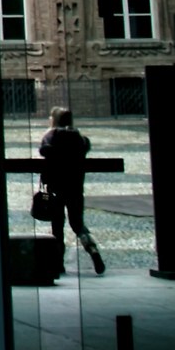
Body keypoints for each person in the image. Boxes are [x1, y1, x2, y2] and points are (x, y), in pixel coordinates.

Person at [40, 105, 104, 276]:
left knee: (57, 227)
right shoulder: (80, 139)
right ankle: (92, 250)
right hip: (75, 188)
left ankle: (58, 263)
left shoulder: (51, 136)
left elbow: (43, 151)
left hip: (55, 189)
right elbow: (86, 146)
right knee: (78, 224)